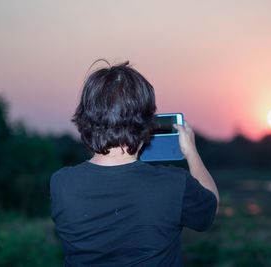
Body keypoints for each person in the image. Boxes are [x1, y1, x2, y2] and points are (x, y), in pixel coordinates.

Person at [50, 60, 219, 267]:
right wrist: (191, 151)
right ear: (148, 122)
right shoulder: (173, 184)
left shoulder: (61, 184)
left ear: (85, 118)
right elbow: (209, 209)